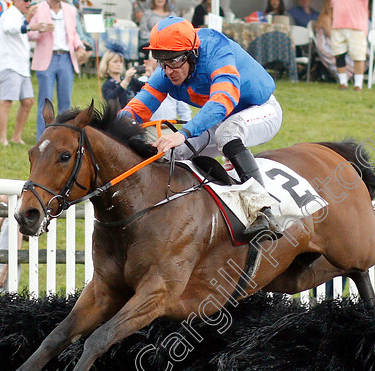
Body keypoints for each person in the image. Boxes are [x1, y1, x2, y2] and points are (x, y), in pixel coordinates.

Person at [121, 16, 282, 238]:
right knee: (172, 153)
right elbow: (138, 108)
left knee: (226, 134)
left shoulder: (217, 51)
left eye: (174, 62)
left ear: (193, 54)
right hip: (223, 118)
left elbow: (222, 101)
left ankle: (263, 211)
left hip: (263, 110)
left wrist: (184, 134)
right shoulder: (168, 69)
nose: (168, 71)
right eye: (162, 61)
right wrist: (110, 130)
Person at [28, 0, 89, 140]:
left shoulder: (70, 9)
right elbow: (29, 33)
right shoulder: (38, 8)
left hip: (66, 58)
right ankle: (42, 138)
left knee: (66, 102)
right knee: (45, 102)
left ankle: (62, 137)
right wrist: (40, 29)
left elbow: (73, 33)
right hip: (47, 60)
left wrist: (79, 47)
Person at [0, 0, 41, 146]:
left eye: (30, 1)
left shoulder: (20, 17)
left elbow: (23, 33)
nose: (28, 3)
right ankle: (3, 138)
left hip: (22, 67)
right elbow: (11, 28)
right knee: (7, 101)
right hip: (10, 65)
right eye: (25, 0)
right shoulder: (9, 14)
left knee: (28, 101)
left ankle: (16, 137)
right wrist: (30, 25)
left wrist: (38, 28)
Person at [313, 0, 355, 81]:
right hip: (325, 44)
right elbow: (331, 34)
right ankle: (344, 76)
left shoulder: (335, 17)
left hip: (332, 42)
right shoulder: (325, 17)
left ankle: (346, 75)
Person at [331, 0, 367, 91]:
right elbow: (332, 9)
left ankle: (358, 84)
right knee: (338, 54)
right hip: (337, 26)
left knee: (358, 56)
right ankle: (343, 82)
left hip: (356, 26)